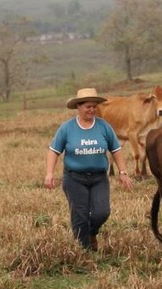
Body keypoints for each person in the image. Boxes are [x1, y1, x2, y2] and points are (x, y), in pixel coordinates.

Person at [45, 88, 133, 251]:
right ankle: (84, 250)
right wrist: (49, 174)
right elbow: (54, 151)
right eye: (88, 106)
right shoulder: (67, 128)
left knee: (102, 212)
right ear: (78, 107)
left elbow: (116, 150)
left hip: (99, 178)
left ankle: (91, 233)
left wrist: (123, 172)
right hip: (74, 179)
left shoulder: (104, 127)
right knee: (80, 215)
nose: (92, 110)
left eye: (94, 106)